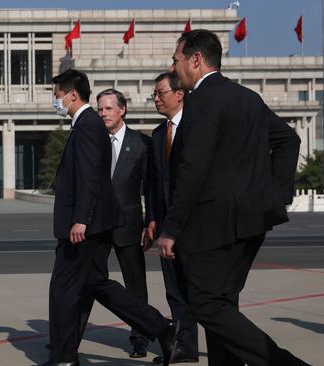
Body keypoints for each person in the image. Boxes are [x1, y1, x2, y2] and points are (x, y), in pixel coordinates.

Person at [154, 29, 309, 366]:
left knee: (206, 305)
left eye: (176, 59)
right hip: (251, 222)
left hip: (213, 225)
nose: (173, 65)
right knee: (223, 303)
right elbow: (289, 140)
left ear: (196, 60)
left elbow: (192, 169)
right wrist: (275, 194)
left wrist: (171, 228)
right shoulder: (246, 98)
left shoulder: (201, 101)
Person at [44, 69, 178, 366]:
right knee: (95, 284)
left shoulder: (88, 124)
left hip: (86, 226)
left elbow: (92, 177)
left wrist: (81, 219)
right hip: (93, 223)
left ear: (72, 95)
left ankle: (63, 356)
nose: (55, 101)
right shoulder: (87, 125)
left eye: (56, 96)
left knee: (63, 289)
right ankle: (162, 328)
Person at [95, 88, 152, 358]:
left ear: (122, 110)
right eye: (100, 109)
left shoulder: (141, 144)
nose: (103, 114)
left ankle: (140, 337)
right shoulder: (92, 141)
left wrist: (151, 221)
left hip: (129, 227)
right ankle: (68, 337)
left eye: (108, 108)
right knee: (88, 281)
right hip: (96, 226)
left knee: (135, 285)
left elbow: (150, 189)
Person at [147, 72, 199, 364]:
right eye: (154, 94)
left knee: (200, 289)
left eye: (160, 93)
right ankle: (185, 347)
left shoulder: (195, 128)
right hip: (166, 224)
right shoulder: (157, 134)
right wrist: (152, 218)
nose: (156, 99)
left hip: (195, 223)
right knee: (174, 289)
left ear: (179, 94)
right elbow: (154, 183)